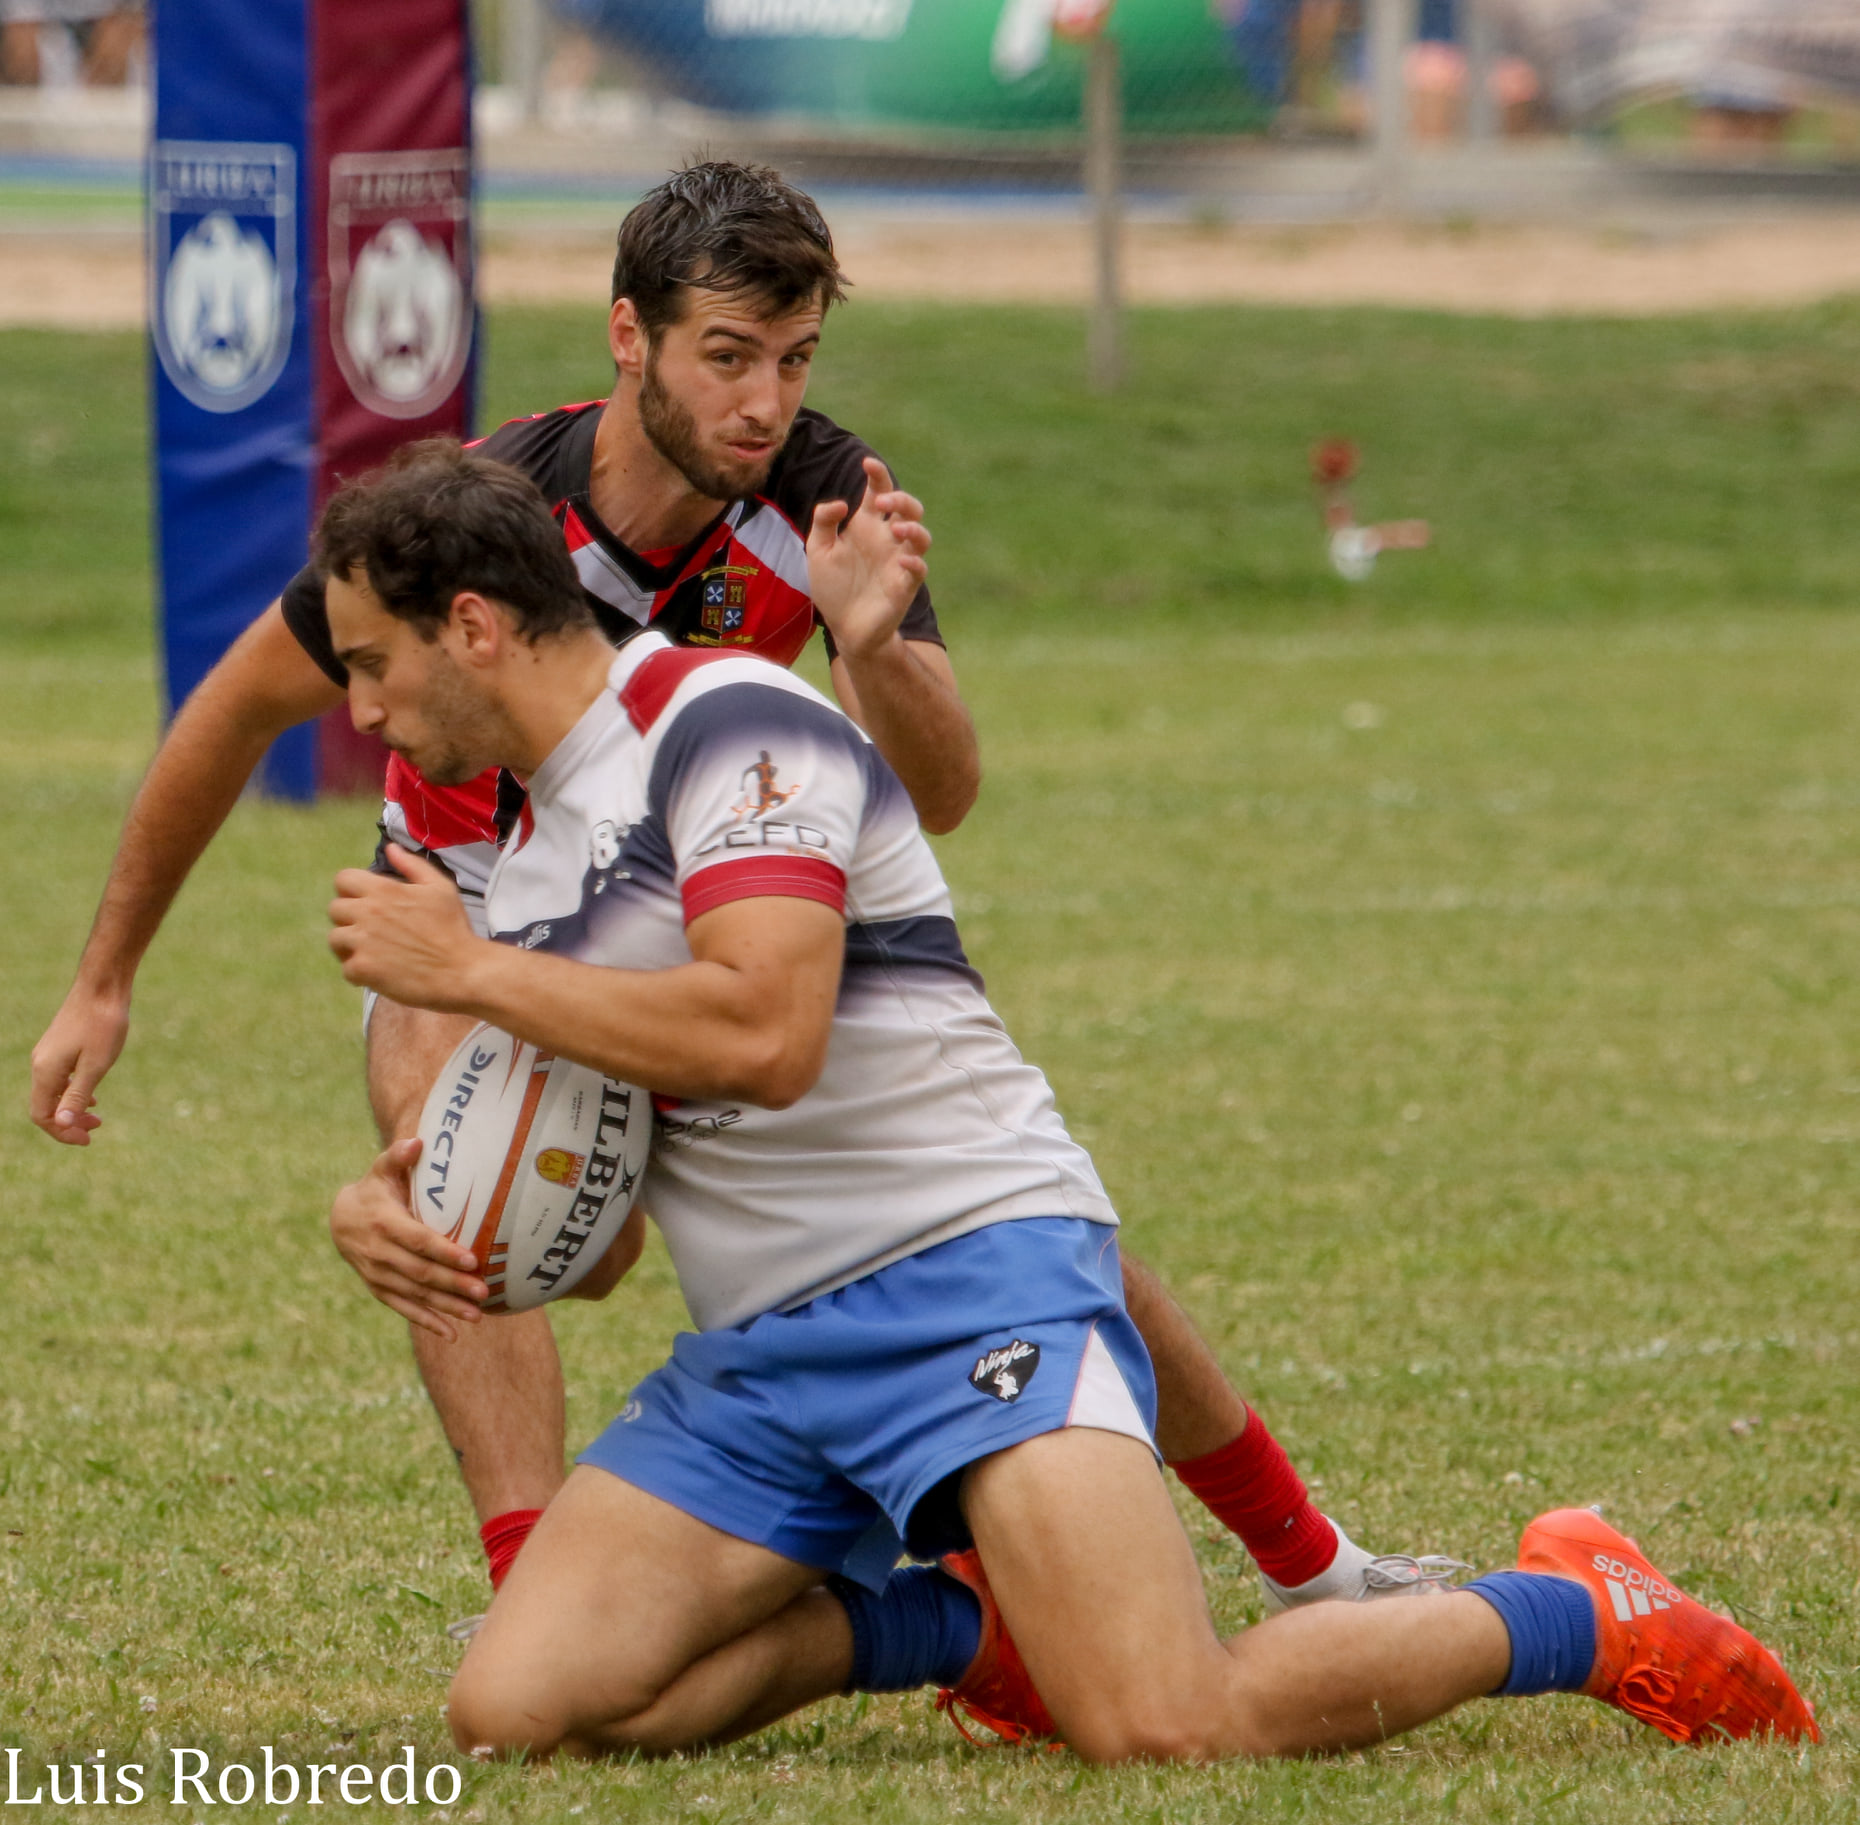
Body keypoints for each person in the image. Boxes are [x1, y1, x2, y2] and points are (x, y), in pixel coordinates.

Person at [29, 162, 1443, 1680]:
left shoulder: (826, 496)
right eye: (726, 355)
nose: (766, 400)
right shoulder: (484, 520)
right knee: (459, 1193)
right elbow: (236, 706)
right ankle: (529, 1576)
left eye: (795, 357)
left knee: (994, 1207)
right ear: (627, 337)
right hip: (480, 885)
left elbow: (945, 786)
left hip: (710, 869)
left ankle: (1311, 1562)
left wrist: (869, 641)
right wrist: (105, 980)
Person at [319, 440, 1815, 1763]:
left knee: (1168, 1725)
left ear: (475, 626)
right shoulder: (530, 872)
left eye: (375, 664)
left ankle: (1577, 1611)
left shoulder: (727, 721)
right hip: (766, 1357)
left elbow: (768, 1033)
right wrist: (430, 1219)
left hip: (970, 1276)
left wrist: (472, 976)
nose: (366, 710)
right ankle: (959, 1631)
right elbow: (605, 1230)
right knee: (521, 1706)